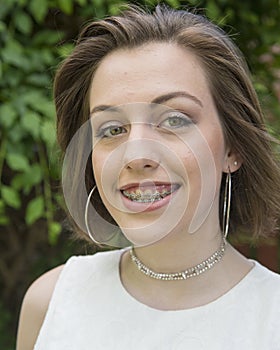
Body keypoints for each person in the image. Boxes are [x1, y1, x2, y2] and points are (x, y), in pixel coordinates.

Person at [16, 4, 280, 350]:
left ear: (233, 148)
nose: (137, 155)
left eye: (174, 120)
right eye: (112, 129)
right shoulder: (50, 303)